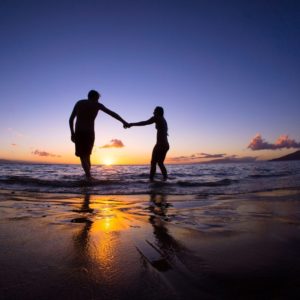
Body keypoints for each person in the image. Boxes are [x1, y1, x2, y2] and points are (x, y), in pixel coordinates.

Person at [69, 90, 128, 179]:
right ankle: (88, 176)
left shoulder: (79, 103)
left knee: (83, 156)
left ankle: (88, 177)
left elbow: (71, 119)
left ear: (88, 96)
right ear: (96, 97)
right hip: (90, 133)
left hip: (79, 132)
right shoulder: (97, 105)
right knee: (87, 155)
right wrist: (123, 121)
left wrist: (72, 133)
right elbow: (112, 114)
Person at [127, 106, 169, 181]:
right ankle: (165, 180)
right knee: (160, 163)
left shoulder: (157, 117)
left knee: (153, 162)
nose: (153, 113)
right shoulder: (163, 120)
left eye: (154, 111)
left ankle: (151, 180)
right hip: (166, 145)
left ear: (157, 112)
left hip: (160, 144)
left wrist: (131, 124)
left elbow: (145, 123)